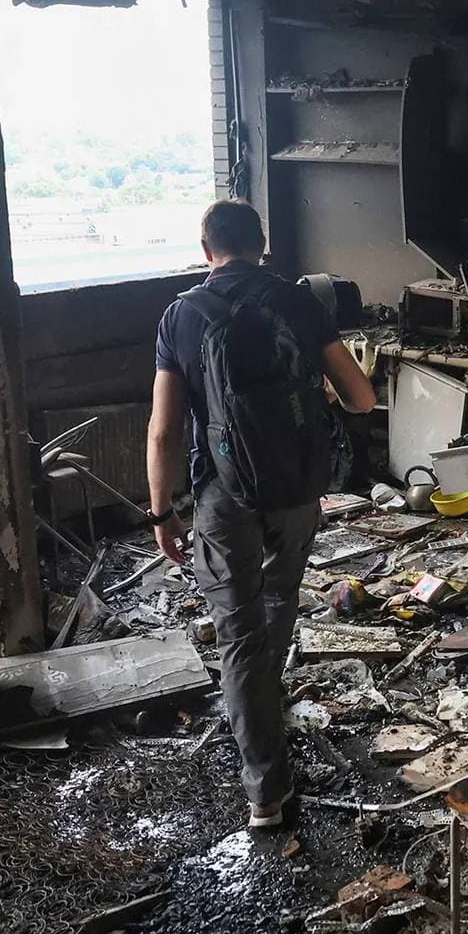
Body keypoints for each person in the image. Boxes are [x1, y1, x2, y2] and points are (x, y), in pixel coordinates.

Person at [145, 200, 376, 828]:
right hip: (298, 489)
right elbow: (362, 398)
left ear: (205, 249)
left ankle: (264, 791)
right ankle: (257, 712)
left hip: (223, 496)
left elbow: (164, 432)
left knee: (238, 629)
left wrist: (161, 513)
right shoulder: (302, 304)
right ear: (262, 245)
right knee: (277, 603)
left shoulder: (181, 317)